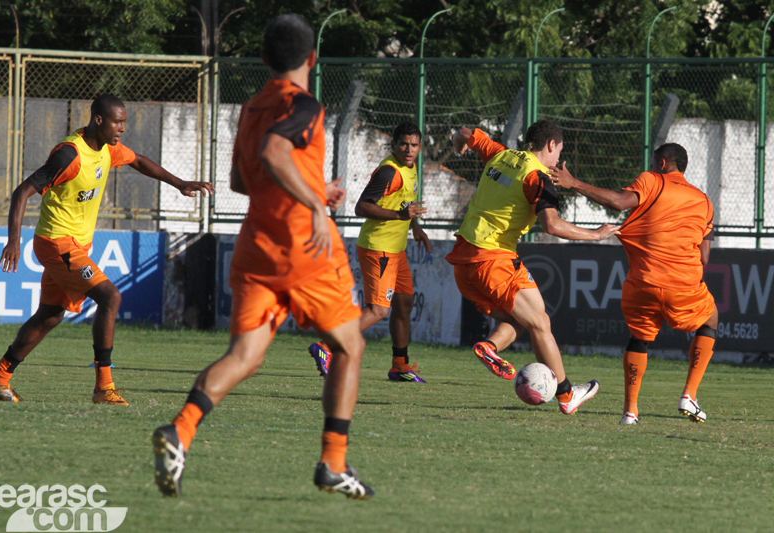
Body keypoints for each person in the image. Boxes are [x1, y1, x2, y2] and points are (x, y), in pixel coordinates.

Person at [152, 14, 373, 500]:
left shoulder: (252, 106)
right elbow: (275, 154)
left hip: (256, 248)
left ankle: (180, 431)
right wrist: (314, 203)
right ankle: (333, 463)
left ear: (263, 59)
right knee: (349, 347)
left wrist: (314, 188)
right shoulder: (305, 105)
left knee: (245, 356)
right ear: (312, 59)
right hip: (304, 249)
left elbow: (239, 180)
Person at [0, 94, 213, 406]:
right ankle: (104, 387)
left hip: (73, 245)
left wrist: (179, 183)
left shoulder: (106, 149)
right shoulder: (69, 155)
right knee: (110, 296)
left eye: (124, 122)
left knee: (50, 316)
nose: (123, 129)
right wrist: (13, 240)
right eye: (118, 122)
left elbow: (139, 160)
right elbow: (23, 192)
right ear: (99, 120)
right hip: (56, 243)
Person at [447, 120, 620, 414]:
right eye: (559, 151)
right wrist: (597, 234)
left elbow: (464, 131)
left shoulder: (500, 154)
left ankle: (490, 348)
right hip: (494, 260)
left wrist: (460, 146)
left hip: (463, 261)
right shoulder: (537, 178)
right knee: (540, 323)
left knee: (523, 321)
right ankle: (566, 395)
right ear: (551, 145)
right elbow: (551, 225)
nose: (558, 160)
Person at [549, 143, 718, 425]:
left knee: (638, 338)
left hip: (643, 282)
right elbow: (704, 256)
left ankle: (630, 412)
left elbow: (618, 201)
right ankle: (689, 395)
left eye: (654, 163)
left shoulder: (653, 180)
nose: (652, 167)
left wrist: (573, 182)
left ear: (662, 164)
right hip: (683, 284)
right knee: (711, 319)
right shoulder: (705, 201)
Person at [308, 122, 432, 382]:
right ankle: (326, 346)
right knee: (378, 310)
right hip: (379, 248)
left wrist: (415, 227)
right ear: (393, 145)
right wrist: (401, 215)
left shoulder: (411, 168)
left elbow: (405, 203)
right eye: (403, 144)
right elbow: (361, 207)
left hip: (397, 250)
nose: (409, 150)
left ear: (420, 147)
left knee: (404, 302)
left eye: (414, 145)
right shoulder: (390, 172)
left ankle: (400, 366)